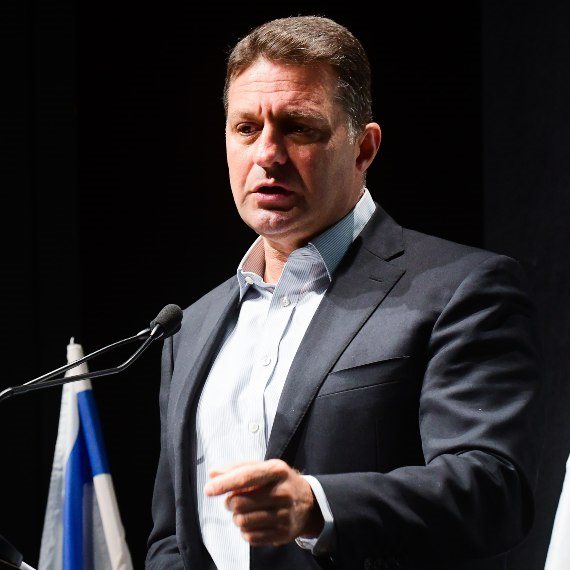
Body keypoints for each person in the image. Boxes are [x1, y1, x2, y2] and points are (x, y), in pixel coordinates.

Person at [145, 15, 543, 570]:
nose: (267, 154)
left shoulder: (461, 290)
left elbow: (494, 489)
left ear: (363, 149)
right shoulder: (189, 328)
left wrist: (319, 506)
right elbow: (174, 538)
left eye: (298, 128)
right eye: (246, 128)